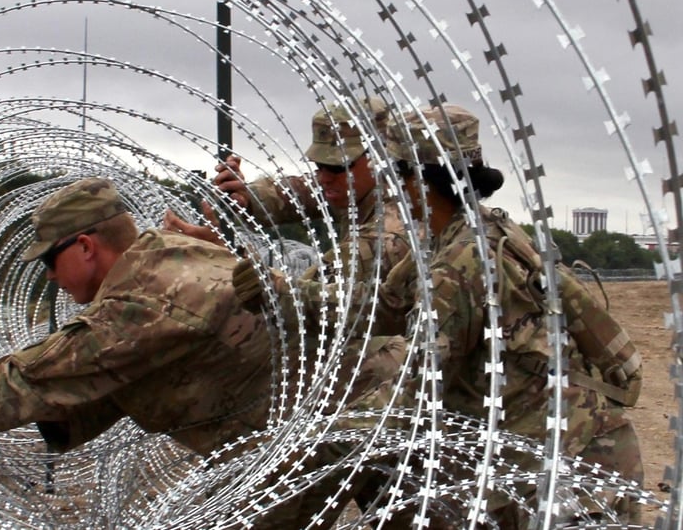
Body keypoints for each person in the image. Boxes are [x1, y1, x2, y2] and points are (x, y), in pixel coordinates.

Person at [0, 176, 402, 528]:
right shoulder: (171, 251)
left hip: (327, 423)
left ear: (86, 247)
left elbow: (37, 376)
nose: (48, 274)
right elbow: (117, 378)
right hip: (363, 401)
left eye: (51, 259)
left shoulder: (139, 303)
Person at [234, 104, 644, 526]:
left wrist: (308, 443)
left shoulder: (459, 266)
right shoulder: (458, 235)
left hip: (572, 477)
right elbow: (381, 306)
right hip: (548, 458)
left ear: (419, 182)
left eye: (397, 175)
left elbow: (411, 395)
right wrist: (285, 293)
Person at [164, 96, 411, 336]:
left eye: (336, 167)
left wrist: (221, 253)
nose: (324, 177)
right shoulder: (367, 188)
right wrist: (247, 197)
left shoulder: (387, 234)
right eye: (319, 166)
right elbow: (301, 192)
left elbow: (296, 296)